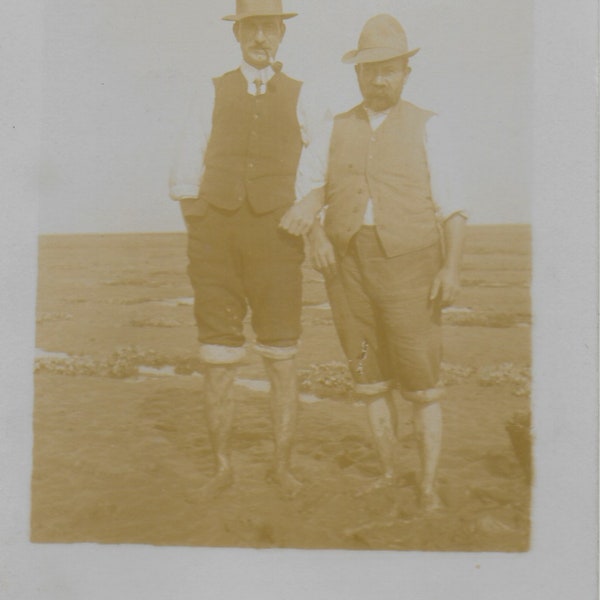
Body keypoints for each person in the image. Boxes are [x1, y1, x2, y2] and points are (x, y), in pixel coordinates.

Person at [280, 14, 467, 511]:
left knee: (423, 384)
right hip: (349, 272)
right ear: (357, 75)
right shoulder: (334, 127)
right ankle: (388, 472)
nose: (378, 79)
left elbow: (452, 207)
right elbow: (308, 190)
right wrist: (317, 236)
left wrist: (450, 269)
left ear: (406, 72)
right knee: (368, 379)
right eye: (368, 70)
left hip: (412, 268)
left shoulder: (430, 127)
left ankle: (426, 487)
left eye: (388, 69)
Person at [169, 0, 327, 496]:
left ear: (282, 34)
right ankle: (222, 467)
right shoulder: (210, 90)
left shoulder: (304, 94)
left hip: (278, 241)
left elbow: (321, 162)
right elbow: (187, 163)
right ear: (237, 34)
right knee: (218, 358)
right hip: (215, 244)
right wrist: (202, 227)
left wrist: (303, 209)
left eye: (270, 28)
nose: (261, 38)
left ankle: (282, 466)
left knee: (281, 357)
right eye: (252, 28)